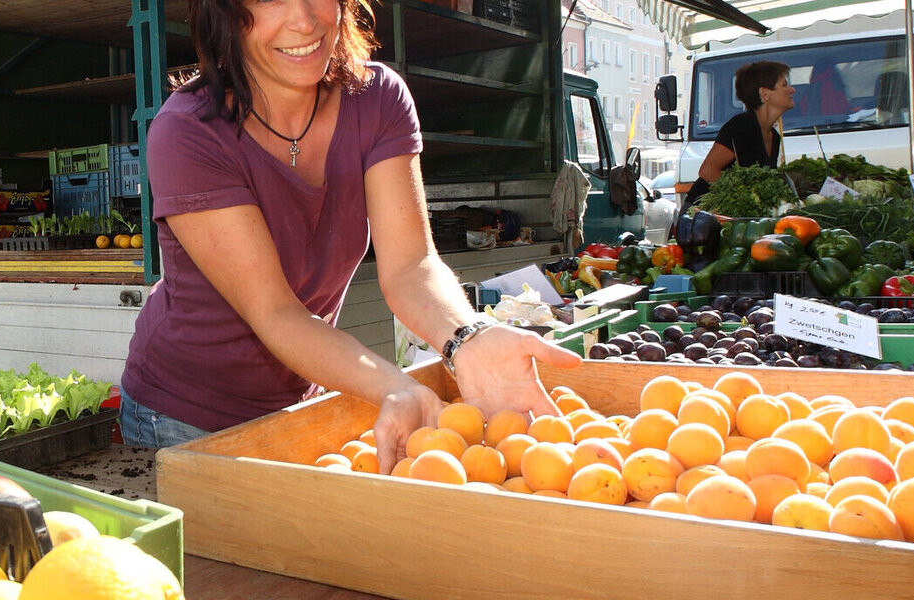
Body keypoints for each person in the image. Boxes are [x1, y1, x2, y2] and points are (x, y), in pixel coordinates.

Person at [121, 0, 581, 472]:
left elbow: (410, 266)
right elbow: (275, 312)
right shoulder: (188, 133)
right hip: (181, 416)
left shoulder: (377, 98)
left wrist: (468, 338)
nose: (304, 19)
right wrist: (394, 386)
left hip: (299, 400)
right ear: (222, 13)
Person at [683, 61, 795, 205]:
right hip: (703, 216)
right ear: (764, 93)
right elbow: (707, 170)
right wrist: (745, 196)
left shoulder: (774, 136)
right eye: (784, 84)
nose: (792, 90)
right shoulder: (743, 125)